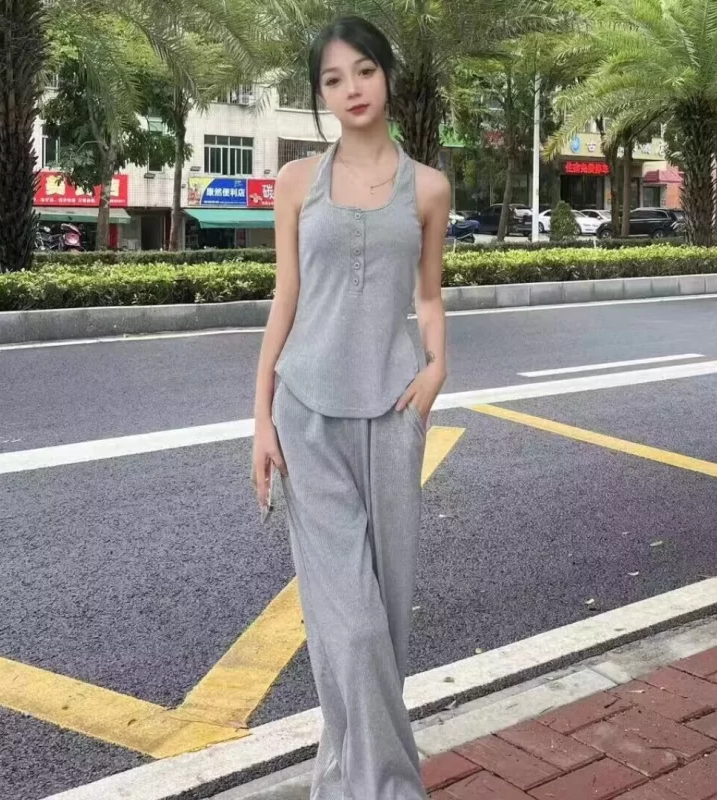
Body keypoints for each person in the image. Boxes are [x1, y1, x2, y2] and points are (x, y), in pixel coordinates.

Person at [251, 14, 449, 800]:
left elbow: (428, 296)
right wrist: (261, 419)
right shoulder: (297, 181)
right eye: (333, 79)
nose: (352, 89)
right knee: (353, 627)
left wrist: (438, 367)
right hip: (306, 414)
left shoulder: (428, 187)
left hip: (393, 414)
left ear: (387, 75)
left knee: (384, 626)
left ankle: (343, 782)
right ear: (320, 94)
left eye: (363, 71)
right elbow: (285, 299)